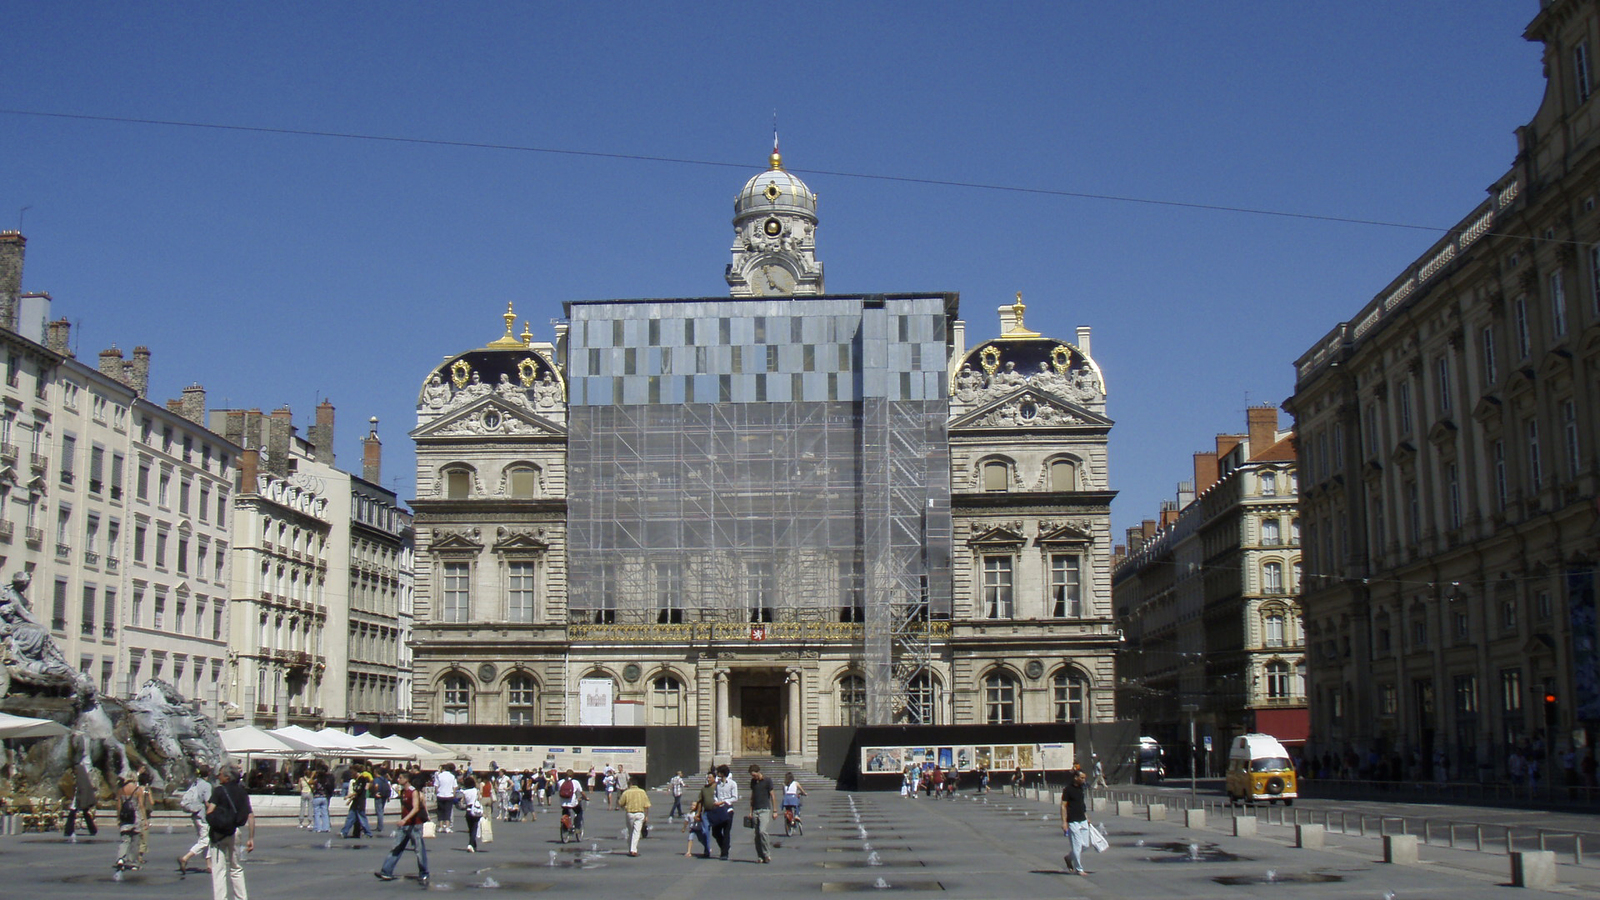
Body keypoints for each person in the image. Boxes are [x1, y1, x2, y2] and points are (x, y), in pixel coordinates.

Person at [206, 764, 256, 900]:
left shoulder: (219, 791)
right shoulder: (242, 792)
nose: (218, 776)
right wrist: (251, 838)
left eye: (220, 774)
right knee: (236, 867)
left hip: (218, 834)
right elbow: (250, 816)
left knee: (219, 869)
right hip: (235, 832)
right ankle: (241, 898)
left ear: (227, 777)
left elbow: (209, 811)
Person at [375, 770, 429, 886]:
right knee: (397, 847)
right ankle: (386, 871)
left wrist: (405, 819)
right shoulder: (403, 791)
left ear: (406, 779)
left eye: (400, 778)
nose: (398, 780)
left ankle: (424, 872)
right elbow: (404, 807)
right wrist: (402, 819)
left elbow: (416, 808)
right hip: (404, 825)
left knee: (419, 850)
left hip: (414, 825)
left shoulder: (413, 791)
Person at [177, 764, 214, 877]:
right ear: (208, 773)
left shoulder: (195, 783)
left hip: (195, 814)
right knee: (205, 840)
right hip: (203, 816)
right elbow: (208, 802)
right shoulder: (206, 786)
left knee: (205, 839)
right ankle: (185, 858)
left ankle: (209, 865)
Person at [1059, 769, 1090, 876]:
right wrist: (1064, 822)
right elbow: (1063, 806)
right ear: (1075, 778)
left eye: (1084, 778)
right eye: (1082, 778)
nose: (1084, 780)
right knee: (1077, 846)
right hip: (1072, 821)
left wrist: (1086, 816)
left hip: (1083, 819)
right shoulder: (1068, 790)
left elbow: (1082, 804)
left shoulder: (1081, 788)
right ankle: (1079, 869)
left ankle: (1069, 858)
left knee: (1085, 845)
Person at [709, 764, 738, 860]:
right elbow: (715, 795)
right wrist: (716, 801)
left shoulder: (732, 784)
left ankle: (724, 854)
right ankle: (725, 847)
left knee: (726, 832)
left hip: (728, 810)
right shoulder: (717, 784)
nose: (717, 774)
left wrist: (725, 801)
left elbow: (735, 797)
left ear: (723, 773)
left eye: (719, 772)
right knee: (715, 832)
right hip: (718, 809)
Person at [62, 763, 98, 839]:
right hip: (81, 798)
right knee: (85, 814)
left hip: (80, 799)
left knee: (72, 814)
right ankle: (92, 830)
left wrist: (83, 803)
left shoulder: (80, 777)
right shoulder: (82, 776)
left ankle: (68, 830)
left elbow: (82, 790)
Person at [617, 777, 651, 856]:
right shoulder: (642, 792)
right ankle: (633, 850)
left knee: (630, 832)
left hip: (630, 814)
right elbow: (647, 805)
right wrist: (646, 816)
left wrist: (623, 806)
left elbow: (620, 803)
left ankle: (631, 849)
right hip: (640, 813)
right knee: (637, 832)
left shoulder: (626, 792)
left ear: (630, 784)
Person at [748, 764, 774, 863]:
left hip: (765, 809)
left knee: (762, 831)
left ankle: (767, 854)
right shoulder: (753, 782)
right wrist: (750, 811)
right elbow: (752, 797)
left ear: (759, 772)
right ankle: (760, 856)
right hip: (755, 810)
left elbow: (772, 795)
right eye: (752, 775)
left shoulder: (767, 781)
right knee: (757, 834)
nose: (753, 777)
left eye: (754, 775)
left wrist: (775, 810)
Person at [113, 778, 141, 870]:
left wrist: (118, 818)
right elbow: (141, 805)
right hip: (136, 817)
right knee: (135, 841)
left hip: (125, 818)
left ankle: (121, 859)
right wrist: (144, 819)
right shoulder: (138, 790)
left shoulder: (121, 790)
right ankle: (134, 863)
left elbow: (119, 806)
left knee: (125, 840)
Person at [341, 764, 374, 838]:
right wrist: (350, 800)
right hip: (355, 802)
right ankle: (344, 832)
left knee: (362, 818)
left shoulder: (362, 779)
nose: (351, 774)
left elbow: (359, 791)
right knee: (350, 817)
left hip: (360, 802)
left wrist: (348, 796)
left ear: (356, 771)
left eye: (352, 772)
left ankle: (368, 833)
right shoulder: (357, 780)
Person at [690, 772, 716, 858]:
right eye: (707, 777)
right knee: (705, 831)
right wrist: (698, 813)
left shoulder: (717, 787)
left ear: (714, 778)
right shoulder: (704, 789)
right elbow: (700, 802)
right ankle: (707, 849)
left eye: (710, 777)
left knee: (717, 832)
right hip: (706, 813)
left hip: (716, 812)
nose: (708, 779)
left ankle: (724, 848)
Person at [134, 766, 154, 866]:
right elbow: (152, 802)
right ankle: (139, 857)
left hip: (135, 815)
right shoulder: (146, 790)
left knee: (136, 836)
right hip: (144, 816)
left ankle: (135, 855)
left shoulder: (135, 789)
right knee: (144, 838)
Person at [558, 769, 586, 839]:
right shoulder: (575, 782)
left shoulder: (560, 782)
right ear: (573, 775)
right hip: (572, 802)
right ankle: (577, 827)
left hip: (563, 802)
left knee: (565, 812)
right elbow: (581, 792)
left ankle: (565, 827)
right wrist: (585, 798)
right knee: (579, 811)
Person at [460, 775, 484, 852]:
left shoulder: (465, 792)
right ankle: (470, 844)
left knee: (470, 829)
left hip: (468, 810)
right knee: (475, 828)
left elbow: (462, 802)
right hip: (475, 810)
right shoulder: (476, 790)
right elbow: (480, 798)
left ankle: (473, 845)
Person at [432, 764, 458, 834]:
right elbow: (455, 787)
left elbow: (436, 786)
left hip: (440, 795)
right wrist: (454, 794)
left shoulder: (439, 776)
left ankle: (441, 826)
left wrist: (436, 792)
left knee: (440, 811)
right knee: (448, 811)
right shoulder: (452, 776)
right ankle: (447, 827)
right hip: (449, 795)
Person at [311, 764, 335, 832]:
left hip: (317, 797)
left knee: (317, 813)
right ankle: (326, 827)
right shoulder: (327, 779)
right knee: (325, 813)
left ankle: (318, 828)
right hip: (324, 797)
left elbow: (310, 782)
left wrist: (313, 775)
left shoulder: (317, 780)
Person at [372, 768, 391, 833]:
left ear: (376, 772)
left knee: (379, 811)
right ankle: (379, 826)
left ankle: (380, 827)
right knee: (381, 810)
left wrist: (375, 793)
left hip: (379, 795)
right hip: (384, 795)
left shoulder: (376, 779)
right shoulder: (384, 779)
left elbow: (376, 786)